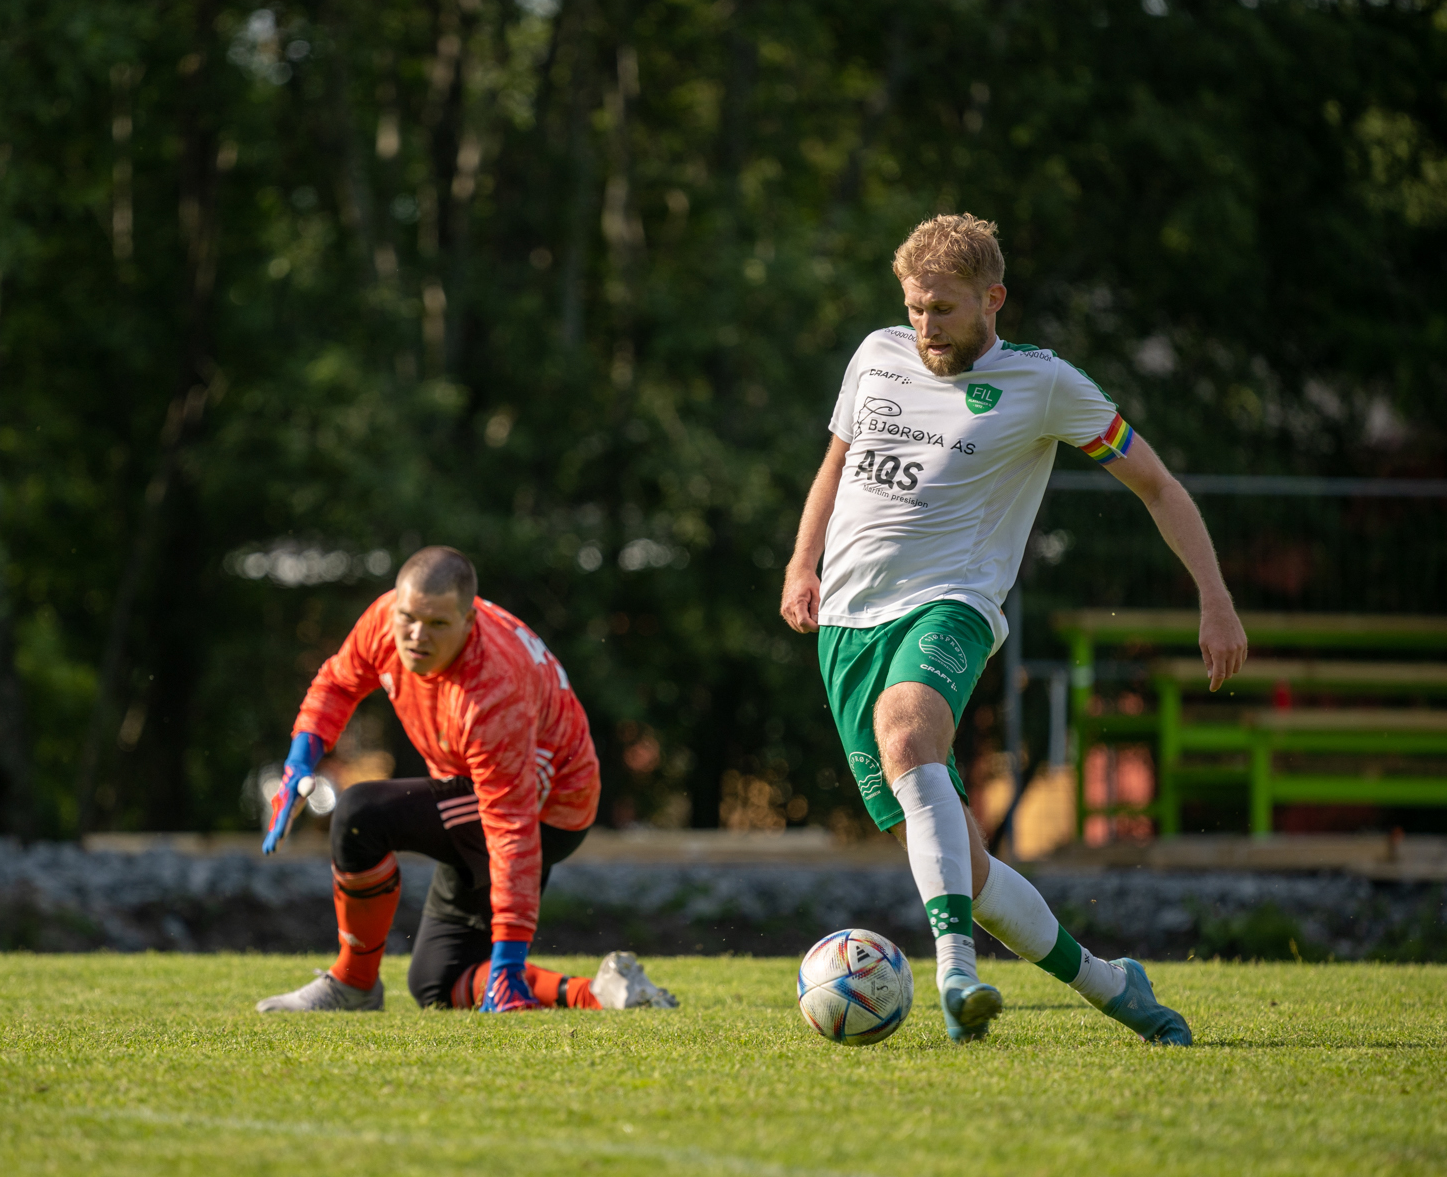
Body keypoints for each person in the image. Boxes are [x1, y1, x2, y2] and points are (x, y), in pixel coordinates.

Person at [781, 213, 1248, 1045]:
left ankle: (954, 971)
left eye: (944, 309)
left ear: (993, 299)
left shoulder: (1045, 383)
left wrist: (1214, 598)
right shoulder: (876, 354)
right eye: (915, 307)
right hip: (847, 623)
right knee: (965, 862)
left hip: (951, 602)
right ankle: (1113, 986)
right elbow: (837, 463)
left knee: (906, 734)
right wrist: (801, 562)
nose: (926, 326)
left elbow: (1159, 486)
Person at [256, 545, 677, 1014]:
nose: (416, 635)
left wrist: (510, 958)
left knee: (360, 814)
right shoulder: (385, 619)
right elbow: (339, 681)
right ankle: (600, 993)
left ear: (469, 622)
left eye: (437, 623)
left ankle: (353, 984)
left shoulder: (492, 689)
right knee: (437, 983)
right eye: (408, 618)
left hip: (547, 809)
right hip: (487, 791)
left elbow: (511, 829)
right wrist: (299, 762)